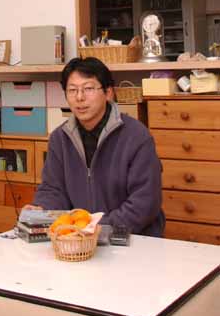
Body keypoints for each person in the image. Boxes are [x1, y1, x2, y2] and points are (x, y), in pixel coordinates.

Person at [34, 56, 165, 236]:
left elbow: (145, 202)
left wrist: (99, 229)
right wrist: (41, 209)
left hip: (132, 238)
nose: (79, 97)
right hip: (79, 240)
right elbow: (53, 190)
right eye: (72, 90)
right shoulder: (60, 138)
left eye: (88, 89)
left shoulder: (136, 136)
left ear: (108, 93)